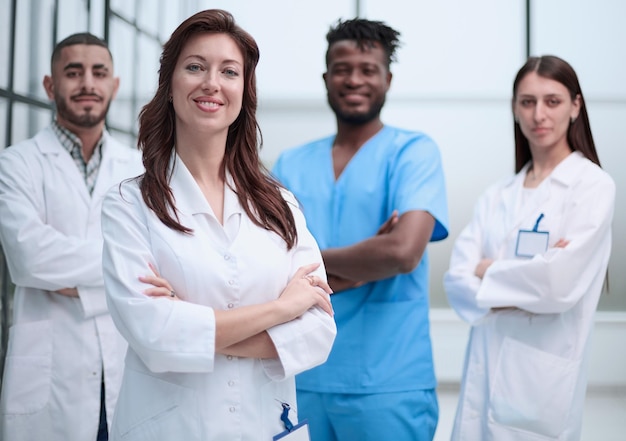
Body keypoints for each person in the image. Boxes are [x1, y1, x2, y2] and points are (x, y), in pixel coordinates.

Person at [100, 9, 336, 441]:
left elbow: (318, 331)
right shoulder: (130, 204)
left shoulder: (278, 205)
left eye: (229, 71)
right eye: (195, 67)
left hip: (263, 424)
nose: (212, 82)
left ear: (244, 92)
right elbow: (153, 335)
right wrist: (283, 309)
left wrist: (190, 323)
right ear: (169, 86)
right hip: (172, 428)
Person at [272, 18, 449, 441]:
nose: (354, 79)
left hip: (388, 382)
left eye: (368, 69)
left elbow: (403, 252)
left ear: (387, 78)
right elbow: (271, 268)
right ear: (326, 77)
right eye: (342, 68)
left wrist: (309, 266)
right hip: (301, 377)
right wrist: (367, 255)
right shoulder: (289, 165)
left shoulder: (414, 152)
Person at [443, 55, 615, 441]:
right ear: (515, 110)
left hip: (540, 389)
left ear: (575, 106)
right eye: (527, 101)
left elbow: (557, 285)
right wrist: (526, 282)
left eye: (552, 101)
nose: (539, 114)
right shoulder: (496, 195)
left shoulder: (592, 186)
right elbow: (456, 282)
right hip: (481, 377)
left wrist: (489, 270)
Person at [0, 33, 143, 441]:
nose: (87, 84)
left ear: (114, 85)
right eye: (73, 72)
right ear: (50, 85)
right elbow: (29, 259)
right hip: (50, 373)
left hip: (122, 368)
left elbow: (156, 258)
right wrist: (121, 270)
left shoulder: (138, 169)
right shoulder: (16, 164)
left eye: (99, 73)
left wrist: (71, 280)